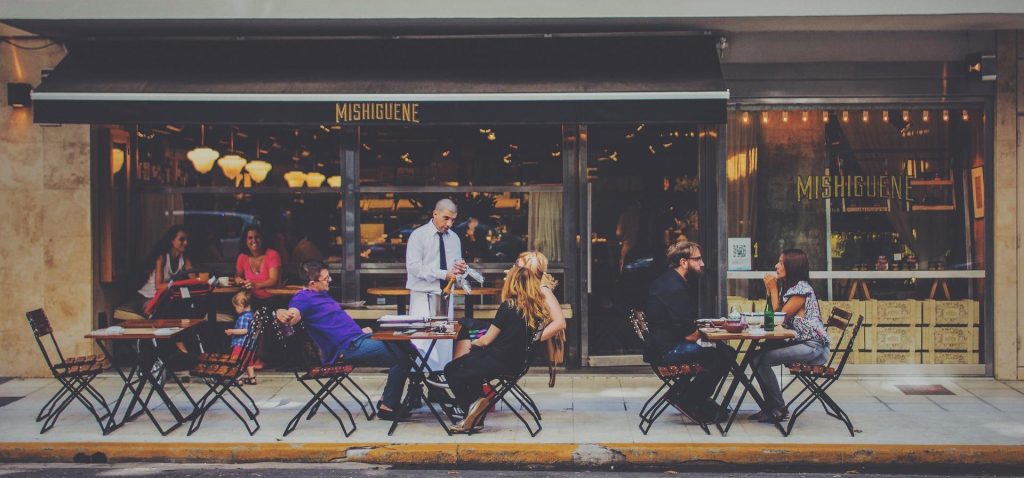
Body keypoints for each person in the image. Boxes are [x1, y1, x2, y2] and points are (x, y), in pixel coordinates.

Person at [276, 261, 411, 420]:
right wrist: (281, 313)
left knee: (406, 346)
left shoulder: (321, 294)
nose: (330, 280)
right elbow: (293, 315)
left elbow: (335, 323)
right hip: (347, 348)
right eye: (326, 279)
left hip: (357, 338)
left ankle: (387, 401)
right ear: (312, 283)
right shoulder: (303, 298)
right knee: (404, 353)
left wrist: (359, 331)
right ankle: (388, 406)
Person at [444, 251, 560, 433]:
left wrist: (472, 344)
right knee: (471, 368)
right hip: (517, 363)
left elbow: (487, 340)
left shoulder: (508, 306)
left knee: (452, 369)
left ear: (513, 283)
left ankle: (472, 408)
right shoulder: (537, 309)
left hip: (499, 361)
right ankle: (476, 414)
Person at [643, 241, 735, 423]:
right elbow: (690, 335)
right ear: (684, 262)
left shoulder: (670, 281)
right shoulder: (674, 288)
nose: (702, 264)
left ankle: (686, 394)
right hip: (669, 350)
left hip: (662, 346)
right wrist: (711, 333)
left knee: (722, 352)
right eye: (697, 259)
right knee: (723, 355)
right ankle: (689, 400)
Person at [750, 248, 831, 423]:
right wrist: (771, 290)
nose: (776, 266)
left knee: (760, 360)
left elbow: (779, 318)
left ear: (791, 267)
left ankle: (777, 407)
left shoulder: (801, 290)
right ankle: (770, 406)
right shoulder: (790, 288)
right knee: (756, 356)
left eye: (780, 263)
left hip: (813, 347)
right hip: (801, 342)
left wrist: (772, 289)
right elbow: (772, 316)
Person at [405, 198, 467, 374]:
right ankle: (416, 385)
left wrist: (461, 269)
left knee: (444, 342)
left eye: (453, 220)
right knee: (420, 340)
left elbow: (455, 268)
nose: (449, 223)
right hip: (422, 295)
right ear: (435, 214)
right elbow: (414, 267)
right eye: (446, 218)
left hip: (445, 296)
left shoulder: (454, 238)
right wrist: (443, 273)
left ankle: (438, 384)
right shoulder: (418, 236)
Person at [137, 225, 194, 311]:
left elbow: (194, 280)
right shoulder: (162, 257)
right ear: (172, 240)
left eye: (187, 240)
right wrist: (181, 285)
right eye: (181, 239)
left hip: (164, 298)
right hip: (148, 297)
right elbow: (158, 286)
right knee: (163, 312)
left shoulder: (185, 257)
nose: (186, 243)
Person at [235, 225, 282, 301]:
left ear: (262, 239)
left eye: (257, 237)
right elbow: (238, 276)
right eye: (250, 238)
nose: (254, 240)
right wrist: (239, 280)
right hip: (250, 300)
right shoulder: (242, 257)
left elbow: (273, 280)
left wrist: (255, 285)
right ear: (245, 241)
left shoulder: (272, 254)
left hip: (271, 298)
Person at [225, 290, 257, 385]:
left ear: (241, 306)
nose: (235, 309)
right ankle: (252, 378)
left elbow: (245, 330)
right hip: (249, 346)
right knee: (249, 362)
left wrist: (232, 331)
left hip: (240, 345)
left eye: (235, 307)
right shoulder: (251, 315)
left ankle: (236, 378)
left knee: (236, 362)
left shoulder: (243, 317)